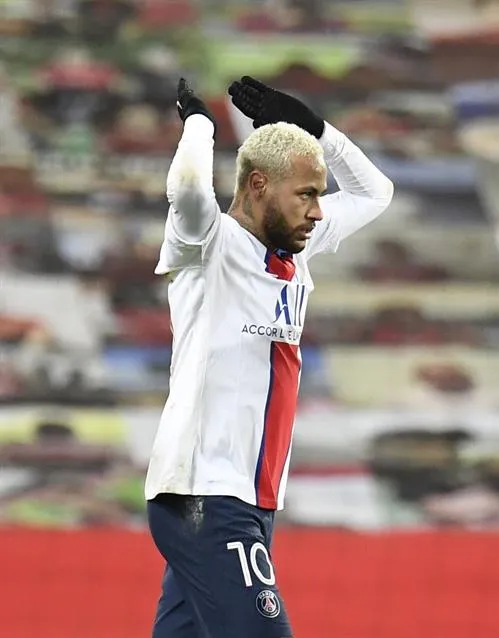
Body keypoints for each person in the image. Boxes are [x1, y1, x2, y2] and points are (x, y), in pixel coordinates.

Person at [145, 77, 394, 638]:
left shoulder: (296, 251)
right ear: (258, 185)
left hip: (252, 499)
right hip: (206, 494)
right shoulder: (207, 242)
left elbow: (376, 193)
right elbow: (187, 188)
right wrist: (201, 124)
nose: (318, 211)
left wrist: (318, 130)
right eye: (306, 194)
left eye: (318, 194)